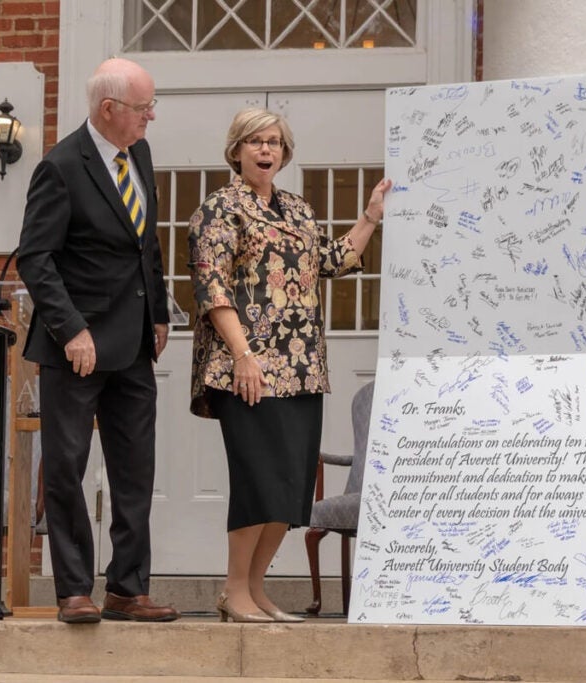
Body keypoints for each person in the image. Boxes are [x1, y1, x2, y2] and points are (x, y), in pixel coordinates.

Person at [188, 108, 391, 623]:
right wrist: (243, 356)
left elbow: (330, 260)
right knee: (258, 479)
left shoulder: (298, 210)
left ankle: (256, 591)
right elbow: (212, 286)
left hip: (302, 369)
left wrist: (369, 218)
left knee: (289, 486)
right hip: (248, 369)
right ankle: (234, 591)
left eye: (274, 141)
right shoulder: (219, 209)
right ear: (236, 150)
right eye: (255, 141)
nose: (265, 149)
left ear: (284, 151)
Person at [17, 58, 179, 623]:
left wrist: (159, 314)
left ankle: (128, 588)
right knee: (66, 467)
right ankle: (74, 590)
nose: (150, 117)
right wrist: (72, 329)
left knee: (135, 470)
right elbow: (36, 260)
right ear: (109, 110)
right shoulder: (60, 166)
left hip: (134, 344)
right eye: (143, 108)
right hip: (76, 348)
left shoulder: (140, 155)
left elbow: (146, 246)